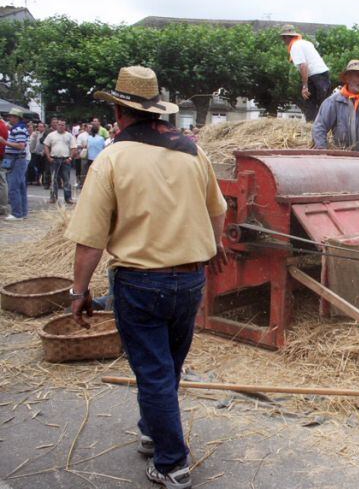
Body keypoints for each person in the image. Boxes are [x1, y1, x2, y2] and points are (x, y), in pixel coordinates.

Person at [66, 66, 228, 489]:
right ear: (155, 111)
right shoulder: (194, 152)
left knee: (154, 371)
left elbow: (89, 241)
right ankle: (152, 429)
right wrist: (215, 246)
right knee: (167, 366)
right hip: (190, 280)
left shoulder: (112, 159)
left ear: (120, 112)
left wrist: (78, 292)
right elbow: (219, 209)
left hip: (140, 283)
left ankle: (173, 463)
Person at [312, 59, 359, 157]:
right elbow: (320, 126)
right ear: (347, 78)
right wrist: (321, 149)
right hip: (341, 156)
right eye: (358, 76)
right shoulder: (334, 101)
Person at [280, 25, 332, 122]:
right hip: (324, 74)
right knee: (323, 106)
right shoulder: (306, 43)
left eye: (283, 38)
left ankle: (312, 129)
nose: (283, 41)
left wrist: (305, 86)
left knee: (310, 105)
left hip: (315, 76)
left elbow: (303, 66)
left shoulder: (294, 47)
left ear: (286, 37)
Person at [1, 108, 30, 220]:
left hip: (16, 159)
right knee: (21, 186)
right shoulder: (20, 128)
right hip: (18, 159)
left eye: (12, 117)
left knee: (14, 187)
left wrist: (5, 142)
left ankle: (17, 213)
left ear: (17, 118)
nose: (9, 118)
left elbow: (21, 145)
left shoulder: (18, 129)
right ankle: (22, 212)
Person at [43, 119, 77, 205]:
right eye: (59, 124)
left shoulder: (69, 136)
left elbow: (74, 148)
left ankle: (68, 198)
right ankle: (53, 198)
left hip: (65, 160)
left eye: (63, 125)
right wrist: (48, 157)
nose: (61, 126)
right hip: (54, 159)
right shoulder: (51, 135)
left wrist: (70, 158)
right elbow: (46, 145)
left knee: (66, 180)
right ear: (56, 125)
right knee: (53, 179)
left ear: (65, 126)